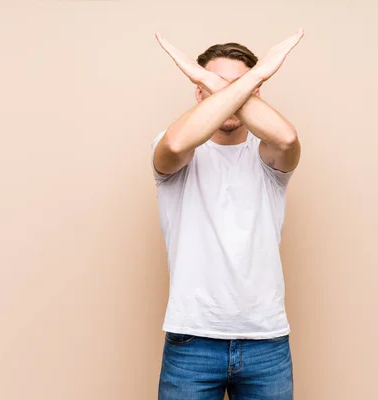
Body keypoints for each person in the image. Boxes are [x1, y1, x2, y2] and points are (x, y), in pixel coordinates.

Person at [151, 29, 304, 400]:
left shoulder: (266, 155)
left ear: (257, 94)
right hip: (192, 341)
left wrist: (218, 81)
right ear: (198, 92)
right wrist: (255, 76)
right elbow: (175, 145)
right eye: (213, 83)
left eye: (238, 85)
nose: (225, 91)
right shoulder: (174, 145)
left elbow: (285, 139)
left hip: (265, 342)